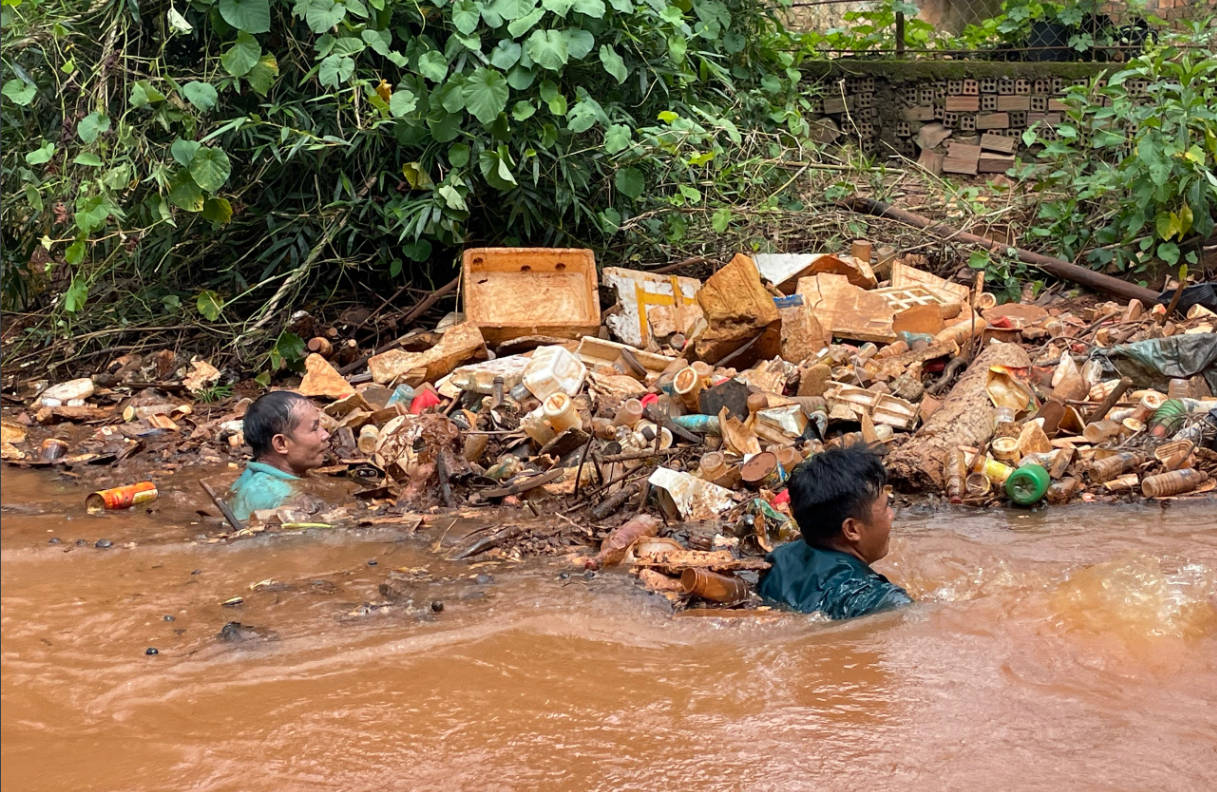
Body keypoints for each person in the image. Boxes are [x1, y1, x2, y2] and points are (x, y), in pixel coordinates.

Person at [757, 444, 912, 620]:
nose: (891, 516)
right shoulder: (879, 601)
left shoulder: (778, 560)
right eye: (886, 508)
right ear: (852, 529)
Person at [226, 391, 331, 521]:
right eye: (314, 429)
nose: (326, 434)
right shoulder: (283, 497)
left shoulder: (253, 476)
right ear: (281, 444)